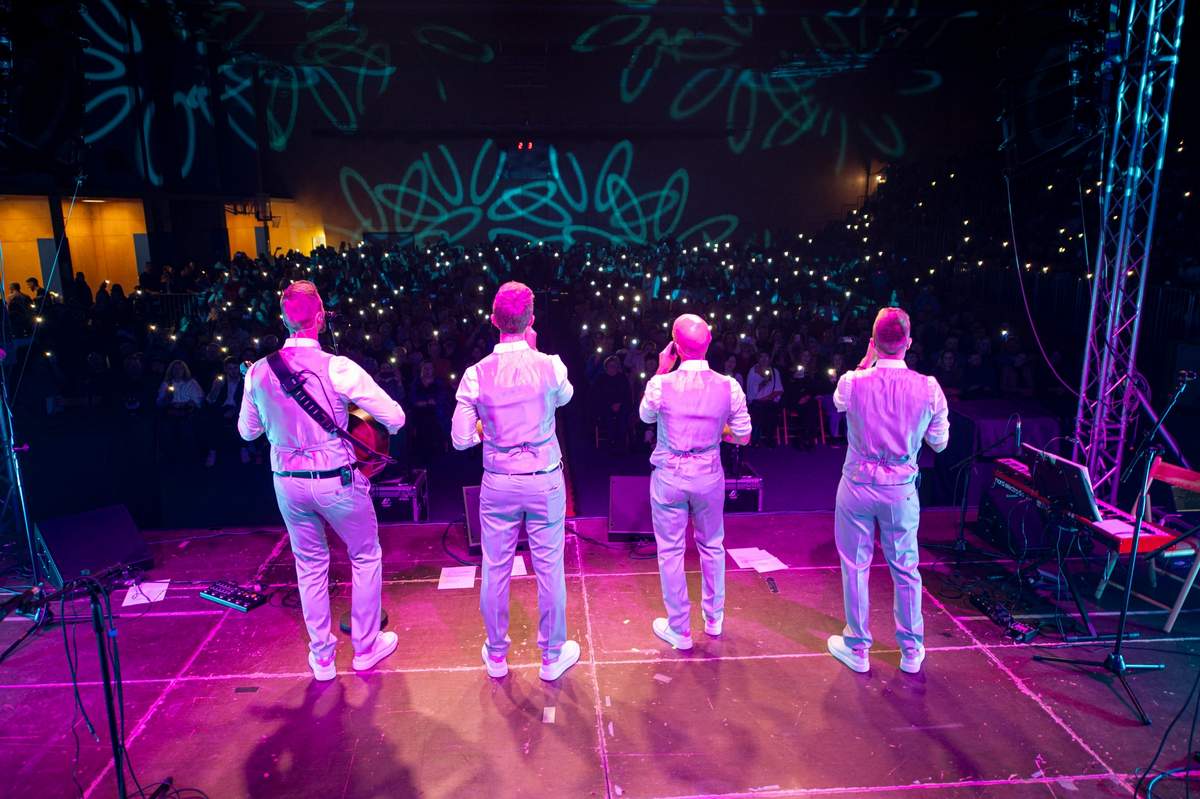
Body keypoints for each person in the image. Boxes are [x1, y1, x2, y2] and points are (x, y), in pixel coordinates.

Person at [238, 280, 406, 681]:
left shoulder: (257, 372)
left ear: (283, 319)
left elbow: (247, 431)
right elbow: (395, 418)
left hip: (287, 483)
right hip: (336, 480)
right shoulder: (338, 367)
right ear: (320, 318)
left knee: (309, 565)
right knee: (365, 555)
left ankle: (323, 658)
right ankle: (365, 647)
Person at [450, 281, 579, 682]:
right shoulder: (551, 365)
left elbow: (460, 439)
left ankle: (496, 654)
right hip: (543, 481)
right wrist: (535, 354)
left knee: (495, 568)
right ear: (531, 320)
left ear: (493, 320)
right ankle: (551, 656)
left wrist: (489, 430)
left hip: (500, 482)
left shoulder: (475, 375)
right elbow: (564, 397)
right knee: (550, 569)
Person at [827, 307, 949, 675]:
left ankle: (858, 647)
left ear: (873, 342)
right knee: (906, 568)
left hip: (858, 485)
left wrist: (866, 362)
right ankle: (911, 650)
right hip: (899, 488)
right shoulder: (929, 387)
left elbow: (839, 403)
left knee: (855, 566)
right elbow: (940, 443)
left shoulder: (852, 381)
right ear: (908, 343)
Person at [638, 313, 751, 651]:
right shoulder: (729, 385)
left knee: (671, 551)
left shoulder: (661, 384)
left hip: (670, 475)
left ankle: (680, 629)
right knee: (712, 545)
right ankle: (714, 619)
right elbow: (743, 435)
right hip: (708, 474)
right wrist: (716, 431)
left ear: (674, 346)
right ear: (709, 342)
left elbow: (645, 416)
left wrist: (661, 369)